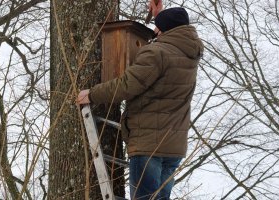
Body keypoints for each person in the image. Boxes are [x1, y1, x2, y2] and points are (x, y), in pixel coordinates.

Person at [77, 0, 204, 199]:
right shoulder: (190, 55)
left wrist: (92, 94)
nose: (154, 31)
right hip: (174, 147)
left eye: (157, 28)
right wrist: (160, 16)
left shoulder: (156, 53)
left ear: (164, 30)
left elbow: (128, 84)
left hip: (149, 143)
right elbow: (170, 31)